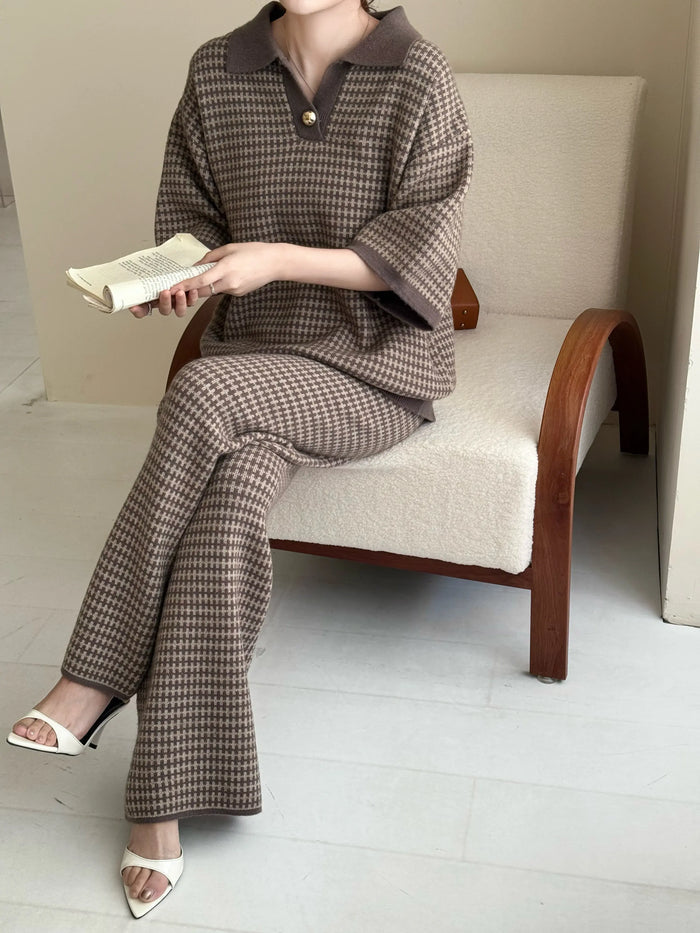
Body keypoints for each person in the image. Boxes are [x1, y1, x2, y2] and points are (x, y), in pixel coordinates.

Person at [7, 0, 472, 919]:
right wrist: (174, 276)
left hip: (375, 373)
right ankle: (160, 802)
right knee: (223, 516)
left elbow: (422, 254)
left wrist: (275, 261)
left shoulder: (418, 75)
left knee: (199, 392)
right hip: (253, 358)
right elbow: (190, 223)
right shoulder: (217, 69)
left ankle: (93, 677)